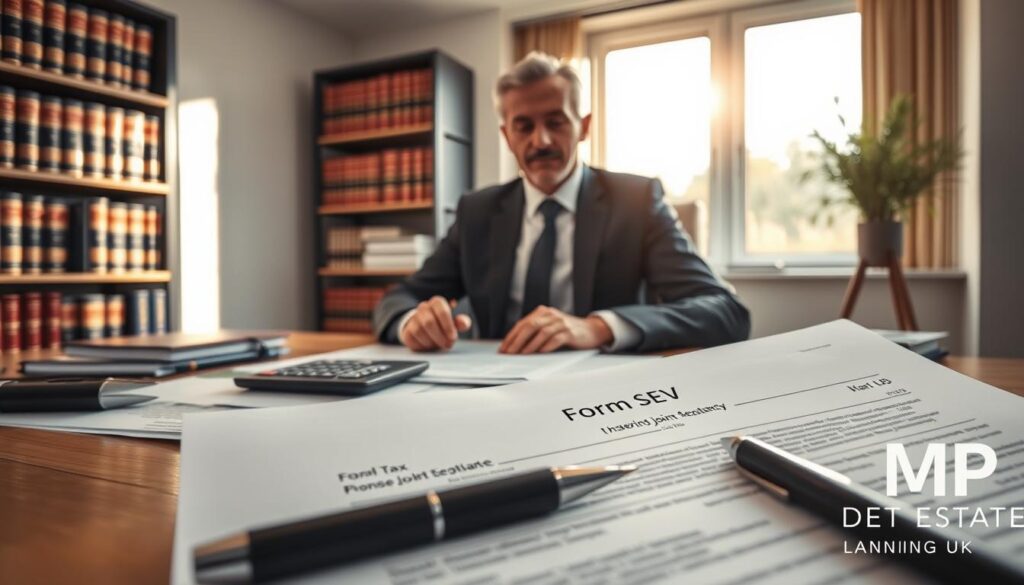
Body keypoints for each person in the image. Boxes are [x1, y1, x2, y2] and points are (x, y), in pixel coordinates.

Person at [373, 52, 750, 354]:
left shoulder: (636, 201)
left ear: (583, 126)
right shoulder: (477, 212)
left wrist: (598, 327)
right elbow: (399, 298)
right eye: (524, 126)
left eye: (556, 122)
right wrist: (412, 322)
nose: (541, 141)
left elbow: (726, 311)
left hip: (603, 396)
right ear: (507, 136)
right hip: (494, 390)